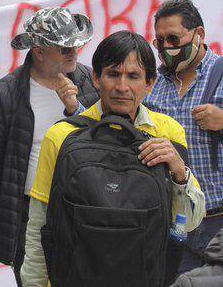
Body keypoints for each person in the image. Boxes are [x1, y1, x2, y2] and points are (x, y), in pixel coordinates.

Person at [20, 30, 206, 286]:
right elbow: (39, 224)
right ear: (96, 77)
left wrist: (179, 172)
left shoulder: (167, 133)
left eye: (133, 76)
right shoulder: (62, 135)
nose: (122, 87)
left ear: (149, 83)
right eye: (113, 74)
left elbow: (189, 222)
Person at [0, 8, 98, 285]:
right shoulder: (6, 93)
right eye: (64, 48)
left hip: (83, 209)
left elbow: (106, 144)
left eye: (75, 45)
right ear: (39, 52)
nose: (73, 52)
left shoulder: (90, 81)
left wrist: (76, 108)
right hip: (29, 216)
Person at [144, 0, 223, 274]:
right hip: (176, 222)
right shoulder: (153, 84)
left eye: (173, 38)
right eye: (160, 41)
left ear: (198, 34)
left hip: (219, 222)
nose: (167, 47)